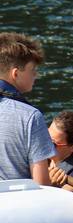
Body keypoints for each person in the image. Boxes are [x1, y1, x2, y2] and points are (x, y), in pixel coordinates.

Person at [0, 32, 54, 184]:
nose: (36, 75)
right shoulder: (30, 117)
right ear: (15, 74)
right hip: (16, 204)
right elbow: (41, 184)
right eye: (32, 70)